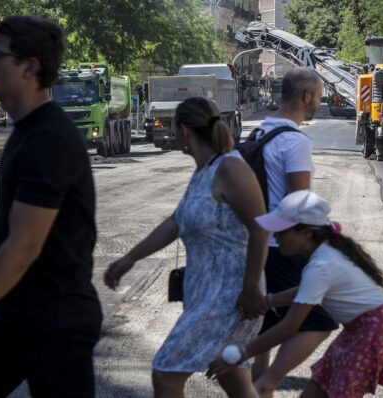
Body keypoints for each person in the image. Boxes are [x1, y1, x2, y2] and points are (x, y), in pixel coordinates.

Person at [0, 16, 103, 397]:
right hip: (14, 313)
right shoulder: (26, 130)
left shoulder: (49, 138)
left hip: (56, 322)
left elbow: (22, 247)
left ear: (29, 67)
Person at [103, 97, 269, 398]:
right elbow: (175, 223)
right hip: (208, 293)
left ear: (184, 131)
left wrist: (250, 287)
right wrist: (129, 258)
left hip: (231, 297)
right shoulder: (203, 171)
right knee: (234, 379)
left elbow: (260, 228)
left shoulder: (230, 167)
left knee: (166, 372)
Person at [207, 190, 383, 398]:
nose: (275, 236)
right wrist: (269, 301)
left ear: (307, 233)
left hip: (371, 332)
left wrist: (241, 354)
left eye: (282, 231)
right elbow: (305, 290)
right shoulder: (326, 252)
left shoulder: (320, 266)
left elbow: (288, 327)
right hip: (369, 327)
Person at [250, 67, 340, 398]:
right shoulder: (295, 141)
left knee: (265, 318)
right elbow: (299, 205)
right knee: (322, 316)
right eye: (318, 95)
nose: (319, 101)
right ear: (305, 96)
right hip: (283, 246)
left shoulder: (259, 133)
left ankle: (259, 387)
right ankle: (267, 381)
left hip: (258, 243)